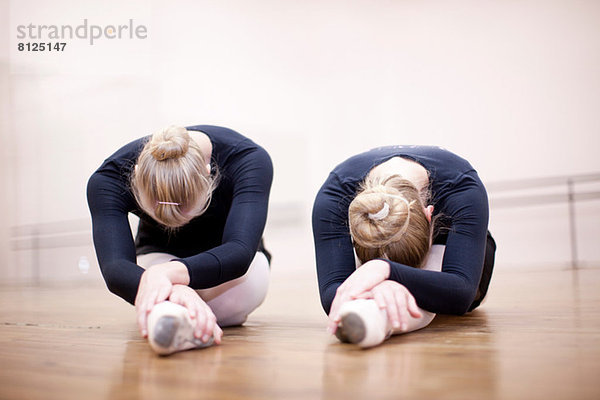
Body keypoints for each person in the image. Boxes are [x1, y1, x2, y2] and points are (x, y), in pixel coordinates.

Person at [87, 125, 273, 355]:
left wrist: (166, 277)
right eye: (158, 215)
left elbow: (239, 251)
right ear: (136, 177)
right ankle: (188, 316)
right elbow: (115, 268)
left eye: (185, 212)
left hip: (230, 270)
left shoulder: (248, 160)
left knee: (235, 295)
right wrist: (180, 290)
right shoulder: (109, 179)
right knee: (157, 291)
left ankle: (174, 313)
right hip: (158, 258)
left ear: (208, 174)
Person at [312, 145, 496, 348]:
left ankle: (376, 316)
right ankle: (375, 311)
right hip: (373, 250)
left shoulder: (461, 186)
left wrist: (385, 270)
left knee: (437, 274)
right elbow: (333, 294)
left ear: (429, 215)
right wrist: (381, 280)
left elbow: (461, 293)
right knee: (359, 286)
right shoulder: (335, 195)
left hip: (450, 245)